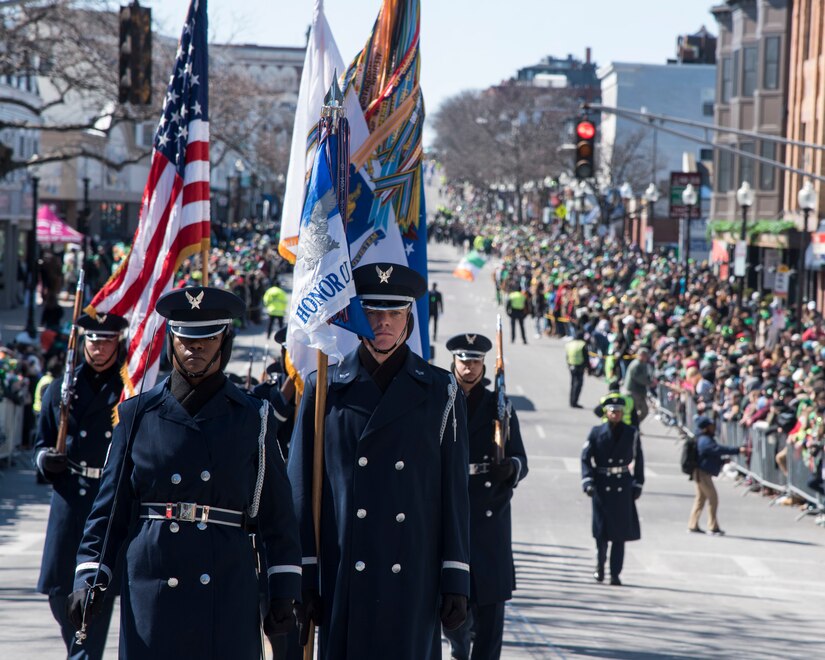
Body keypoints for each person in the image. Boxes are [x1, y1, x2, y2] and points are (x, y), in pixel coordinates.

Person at [68, 287, 302, 659]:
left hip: (226, 583)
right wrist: (91, 573)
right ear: (171, 340)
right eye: (186, 337)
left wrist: (284, 586)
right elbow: (109, 511)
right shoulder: (136, 416)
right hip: (153, 584)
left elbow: (277, 514)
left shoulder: (253, 417)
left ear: (225, 340)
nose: (196, 347)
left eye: (208, 337)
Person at [288, 263, 470, 660]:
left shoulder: (442, 391)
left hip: (413, 573)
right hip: (342, 575)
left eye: (394, 313)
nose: (383, 322)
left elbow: (453, 493)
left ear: (409, 318)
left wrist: (455, 574)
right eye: (373, 312)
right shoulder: (325, 388)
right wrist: (302, 573)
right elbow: (301, 489)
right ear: (357, 315)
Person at [34, 312, 128, 660]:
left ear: (118, 342)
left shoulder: (128, 389)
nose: (98, 348)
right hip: (69, 498)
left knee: (92, 597)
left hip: (107, 498)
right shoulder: (63, 386)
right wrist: (46, 459)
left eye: (106, 340)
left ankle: (83, 654)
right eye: (92, 340)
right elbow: (40, 441)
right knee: (60, 596)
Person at [443, 333, 528, 660]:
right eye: (464, 362)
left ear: (484, 365)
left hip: (490, 510)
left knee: (491, 609)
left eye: (475, 362)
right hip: (450, 502)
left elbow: (521, 456)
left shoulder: (499, 404)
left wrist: (511, 468)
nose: (469, 368)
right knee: (449, 605)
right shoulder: (440, 400)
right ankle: (458, 647)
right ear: (454, 362)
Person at [581, 395, 644, 586]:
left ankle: (615, 573)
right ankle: (600, 566)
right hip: (601, 485)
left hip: (622, 485)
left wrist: (638, 483)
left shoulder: (631, 432)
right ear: (606, 413)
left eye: (618, 411)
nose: (615, 414)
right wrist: (588, 481)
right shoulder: (596, 432)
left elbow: (639, 459)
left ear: (623, 413)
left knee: (620, 534)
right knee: (601, 532)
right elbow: (585, 457)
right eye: (611, 411)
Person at [688, 416, 746, 535]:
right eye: (711, 426)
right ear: (705, 428)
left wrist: (722, 461)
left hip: (701, 472)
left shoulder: (704, 438)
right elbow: (716, 449)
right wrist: (737, 450)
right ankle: (712, 526)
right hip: (702, 473)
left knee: (700, 499)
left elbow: (709, 455)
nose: (714, 428)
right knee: (713, 498)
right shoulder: (704, 440)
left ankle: (692, 524)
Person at [252, 326, 296, 459]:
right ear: (283, 353)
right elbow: (264, 432)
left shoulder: (321, 391)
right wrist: (294, 378)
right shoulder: (264, 392)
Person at [623, 346, 654, 424]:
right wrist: (650, 383)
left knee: (644, 411)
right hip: (634, 392)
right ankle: (632, 426)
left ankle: (634, 425)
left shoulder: (642, 364)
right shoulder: (636, 365)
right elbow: (639, 378)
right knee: (635, 411)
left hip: (639, 391)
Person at [566, 330, 588, 408]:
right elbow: (586, 357)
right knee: (578, 385)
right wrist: (588, 368)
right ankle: (574, 402)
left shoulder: (569, 344)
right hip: (579, 366)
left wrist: (569, 365)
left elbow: (567, 356)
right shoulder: (582, 344)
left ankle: (571, 401)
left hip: (571, 366)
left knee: (572, 384)